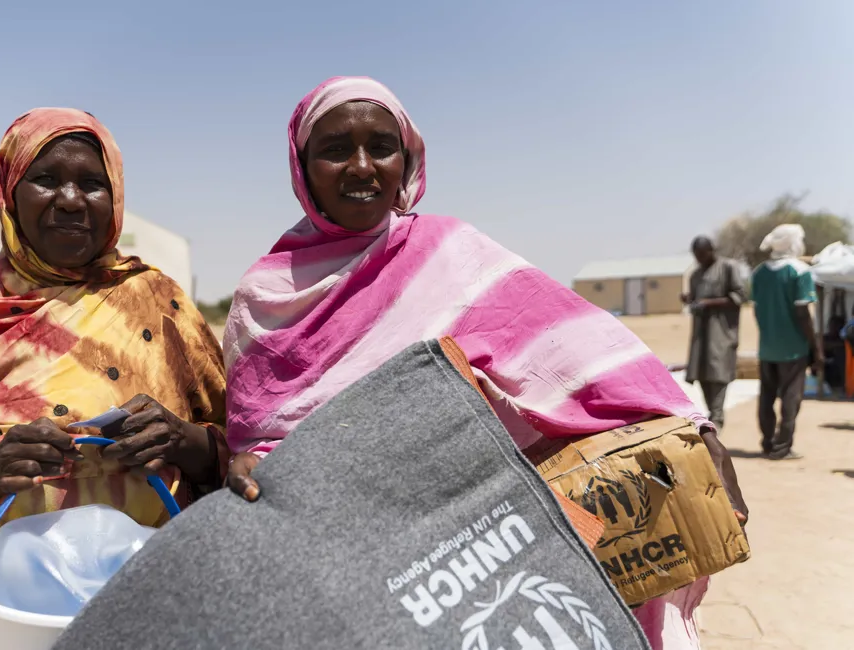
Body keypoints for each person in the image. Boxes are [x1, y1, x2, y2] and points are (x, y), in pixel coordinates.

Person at [221, 76, 747, 650]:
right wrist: (255, 466)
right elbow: (267, 444)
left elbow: (586, 355)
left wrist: (695, 431)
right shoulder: (267, 296)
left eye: (381, 146)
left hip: (495, 536)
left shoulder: (451, 253)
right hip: (372, 560)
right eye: (335, 149)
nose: (362, 167)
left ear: (408, 158)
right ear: (302, 167)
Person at [0, 108, 228, 650]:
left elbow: (244, 454)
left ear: (116, 195)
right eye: (47, 179)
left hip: (150, 607)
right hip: (2, 619)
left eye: (92, 183)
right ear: (11, 191)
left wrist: (184, 440)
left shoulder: (160, 303)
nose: (72, 200)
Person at [750, 223, 821, 460]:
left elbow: (757, 311)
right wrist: (816, 348)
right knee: (791, 398)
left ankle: (768, 443)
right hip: (793, 348)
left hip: (767, 347)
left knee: (767, 397)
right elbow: (803, 315)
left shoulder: (759, 273)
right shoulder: (799, 271)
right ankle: (782, 448)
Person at [682, 236, 747, 431]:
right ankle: (712, 412)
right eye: (696, 256)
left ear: (711, 251)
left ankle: (717, 416)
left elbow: (740, 296)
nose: (700, 259)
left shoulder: (728, 268)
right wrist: (689, 299)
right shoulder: (695, 275)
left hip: (721, 331)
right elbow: (694, 299)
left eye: (702, 254)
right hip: (701, 333)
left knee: (718, 371)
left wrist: (709, 303)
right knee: (701, 371)